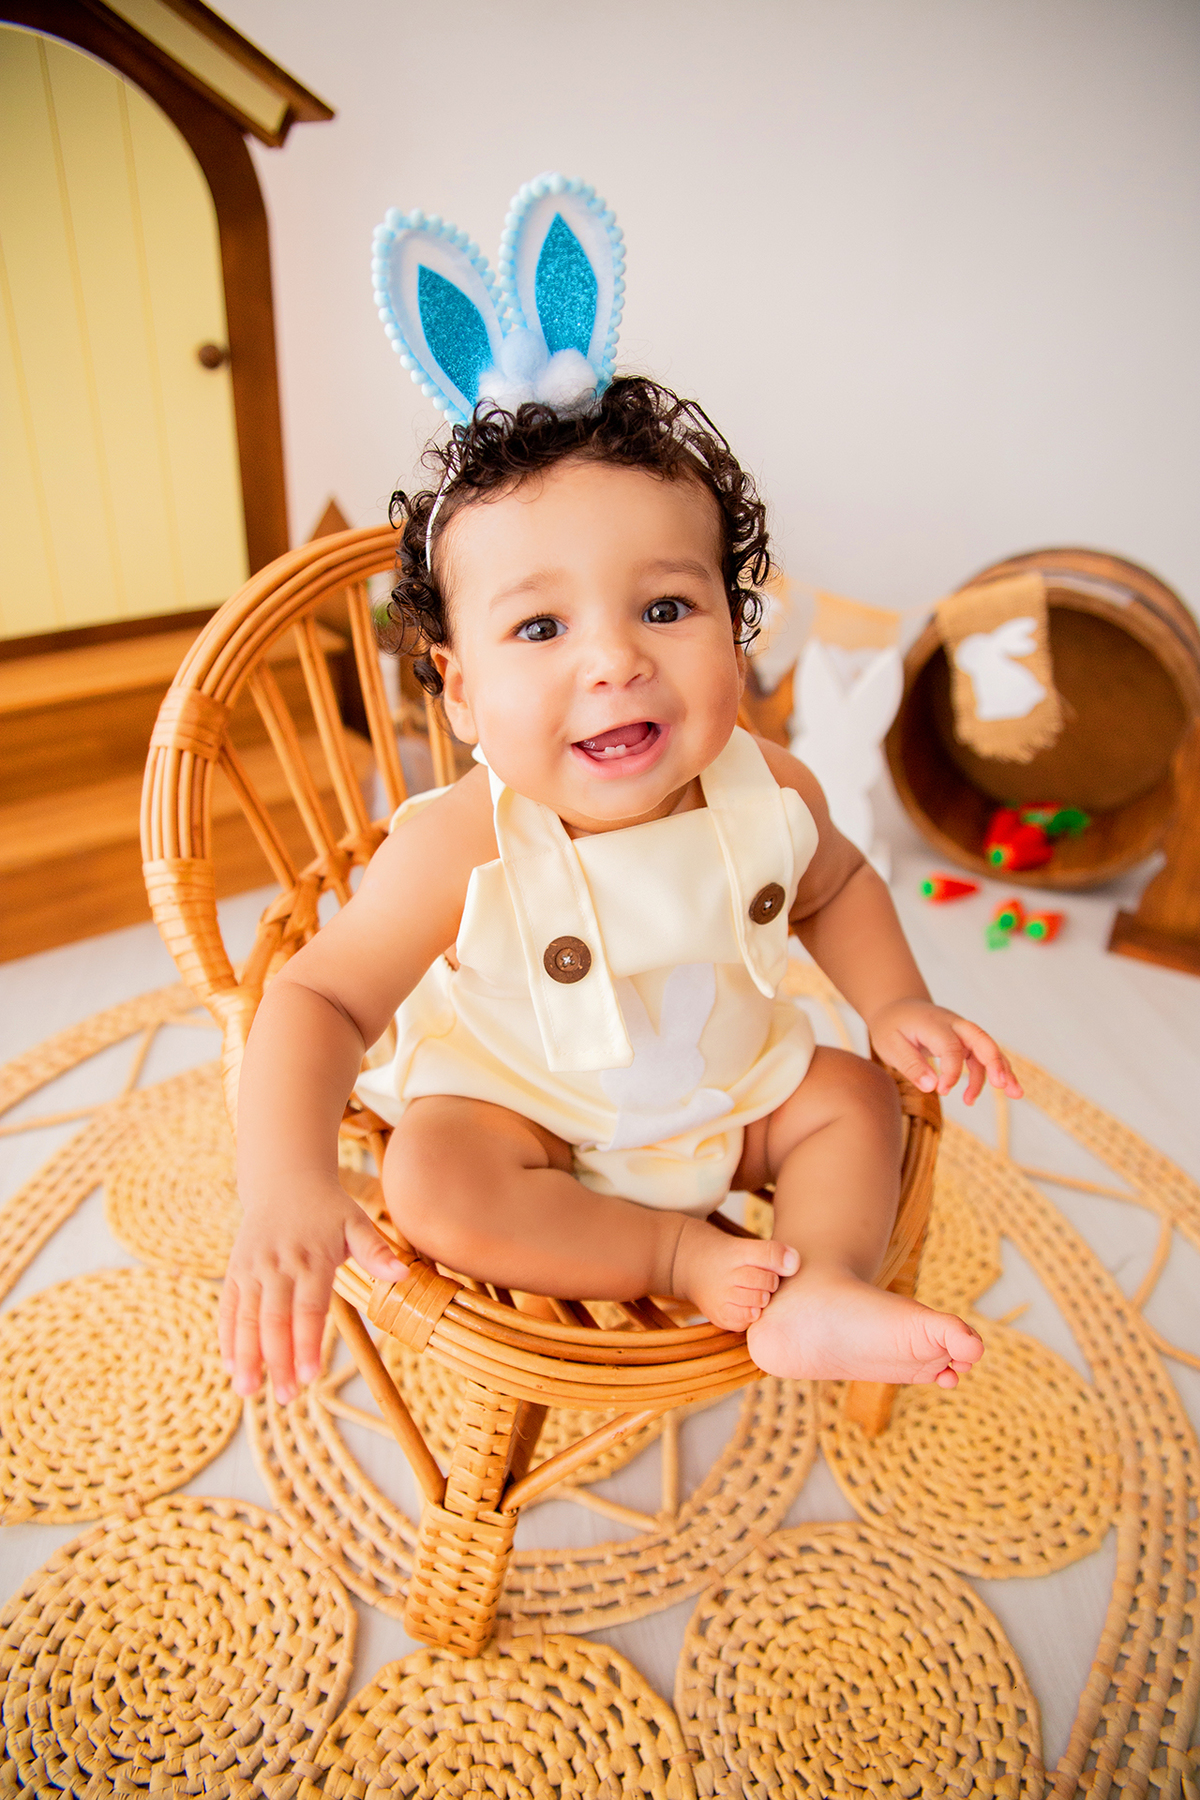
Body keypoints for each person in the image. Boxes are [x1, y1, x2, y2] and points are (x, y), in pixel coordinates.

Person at [223, 375, 1022, 1410]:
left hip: (729, 1091)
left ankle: (816, 1282)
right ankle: (671, 1256)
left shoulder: (772, 790)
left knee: (855, 1099)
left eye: (665, 606)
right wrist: (285, 1177)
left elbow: (839, 886)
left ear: (736, 635)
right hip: (525, 1116)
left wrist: (894, 1003)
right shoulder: (459, 846)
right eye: (542, 629)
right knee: (430, 1178)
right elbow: (317, 999)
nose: (615, 659)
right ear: (461, 690)